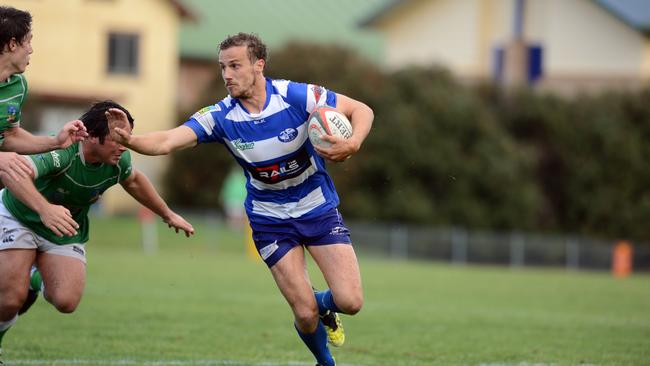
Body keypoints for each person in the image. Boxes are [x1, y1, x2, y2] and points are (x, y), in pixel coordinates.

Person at [110, 33, 373, 366]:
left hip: (317, 208)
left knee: (350, 301)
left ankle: (325, 304)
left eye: (235, 65)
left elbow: (361, 110)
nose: (227, 75)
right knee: (304, 313)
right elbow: (166, 140)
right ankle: (325, 362)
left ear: (258, 65)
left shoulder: (294, 96)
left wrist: (353, 143)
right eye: (223, 67)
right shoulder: (221, 116)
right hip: (269, 219)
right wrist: (131, 140)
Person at [0, 101, 195, 364]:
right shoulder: (65, 151)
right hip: (19, 216)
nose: (124, 146)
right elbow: (14, 175)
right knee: (11, 298)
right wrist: (45, 209)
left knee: (66, 301)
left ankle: (35, 277)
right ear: (92, 137)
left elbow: (134, 181)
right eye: (117, 138)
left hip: (66, 228)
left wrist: (168, 214)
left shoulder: (118, 160)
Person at [0, 6, 88, 181]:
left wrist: (56, 142)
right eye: (29, 41)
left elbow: (10, 136)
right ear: (12, 44)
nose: (31, 50)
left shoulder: (19, 86)